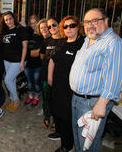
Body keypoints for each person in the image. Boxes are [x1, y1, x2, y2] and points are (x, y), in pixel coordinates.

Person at [69, 8, 122, 152]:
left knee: (87, 146)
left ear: (106, 21)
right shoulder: (89, 39)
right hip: (78, 98)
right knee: (78, 140)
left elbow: (114, 77)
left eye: (94, 21)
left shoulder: (113, 43)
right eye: (86, 22)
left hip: (92, 102)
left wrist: (102, 104)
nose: (89, 25)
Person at [48, 16, 84, 152]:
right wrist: (50, 77)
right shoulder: (62, 42)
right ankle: (61, 132)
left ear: (78, 27)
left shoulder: (83, 43)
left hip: (71, 89)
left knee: (66, 115)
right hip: (57, 85)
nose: (68, 28)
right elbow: (53, 59)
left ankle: (67, 146)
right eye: (65, 26)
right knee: (56, 111)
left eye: (72, 26)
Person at [0, 11, 28, 111]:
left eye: (10, 19)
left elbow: (25, 46)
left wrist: (22, 61)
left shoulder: (21, 30)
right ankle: (12, 100)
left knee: (7, 80)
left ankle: (16, 100)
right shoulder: (5, 31)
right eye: (6, 20)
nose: (8, 21)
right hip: (7, 60)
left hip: (18, 61)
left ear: (14, 18)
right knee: (11, 80)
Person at [39, 18, 61, 132]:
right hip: (45, 76)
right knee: (46, 99)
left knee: (57, 101)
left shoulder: (65, 41)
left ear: (59, 25)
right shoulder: (46, 41)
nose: (51, 28)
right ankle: (47, 117)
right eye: (49, 27)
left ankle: (57, 122)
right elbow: (42, 56)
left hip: (59, 78)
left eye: (54, 25)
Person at [24, 15, 43, 106]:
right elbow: (24, 48)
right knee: (29, 81)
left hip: (38, 64)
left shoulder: (42, 35)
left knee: (36, 82)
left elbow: (39, 52)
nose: (33, 25)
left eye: (35, 22)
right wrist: (30, 53)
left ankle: (36, 97)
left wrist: (30, 52)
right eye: (31, 23)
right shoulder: (29, 34)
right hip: (28, 63)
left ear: (38, 22)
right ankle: (30, 95)